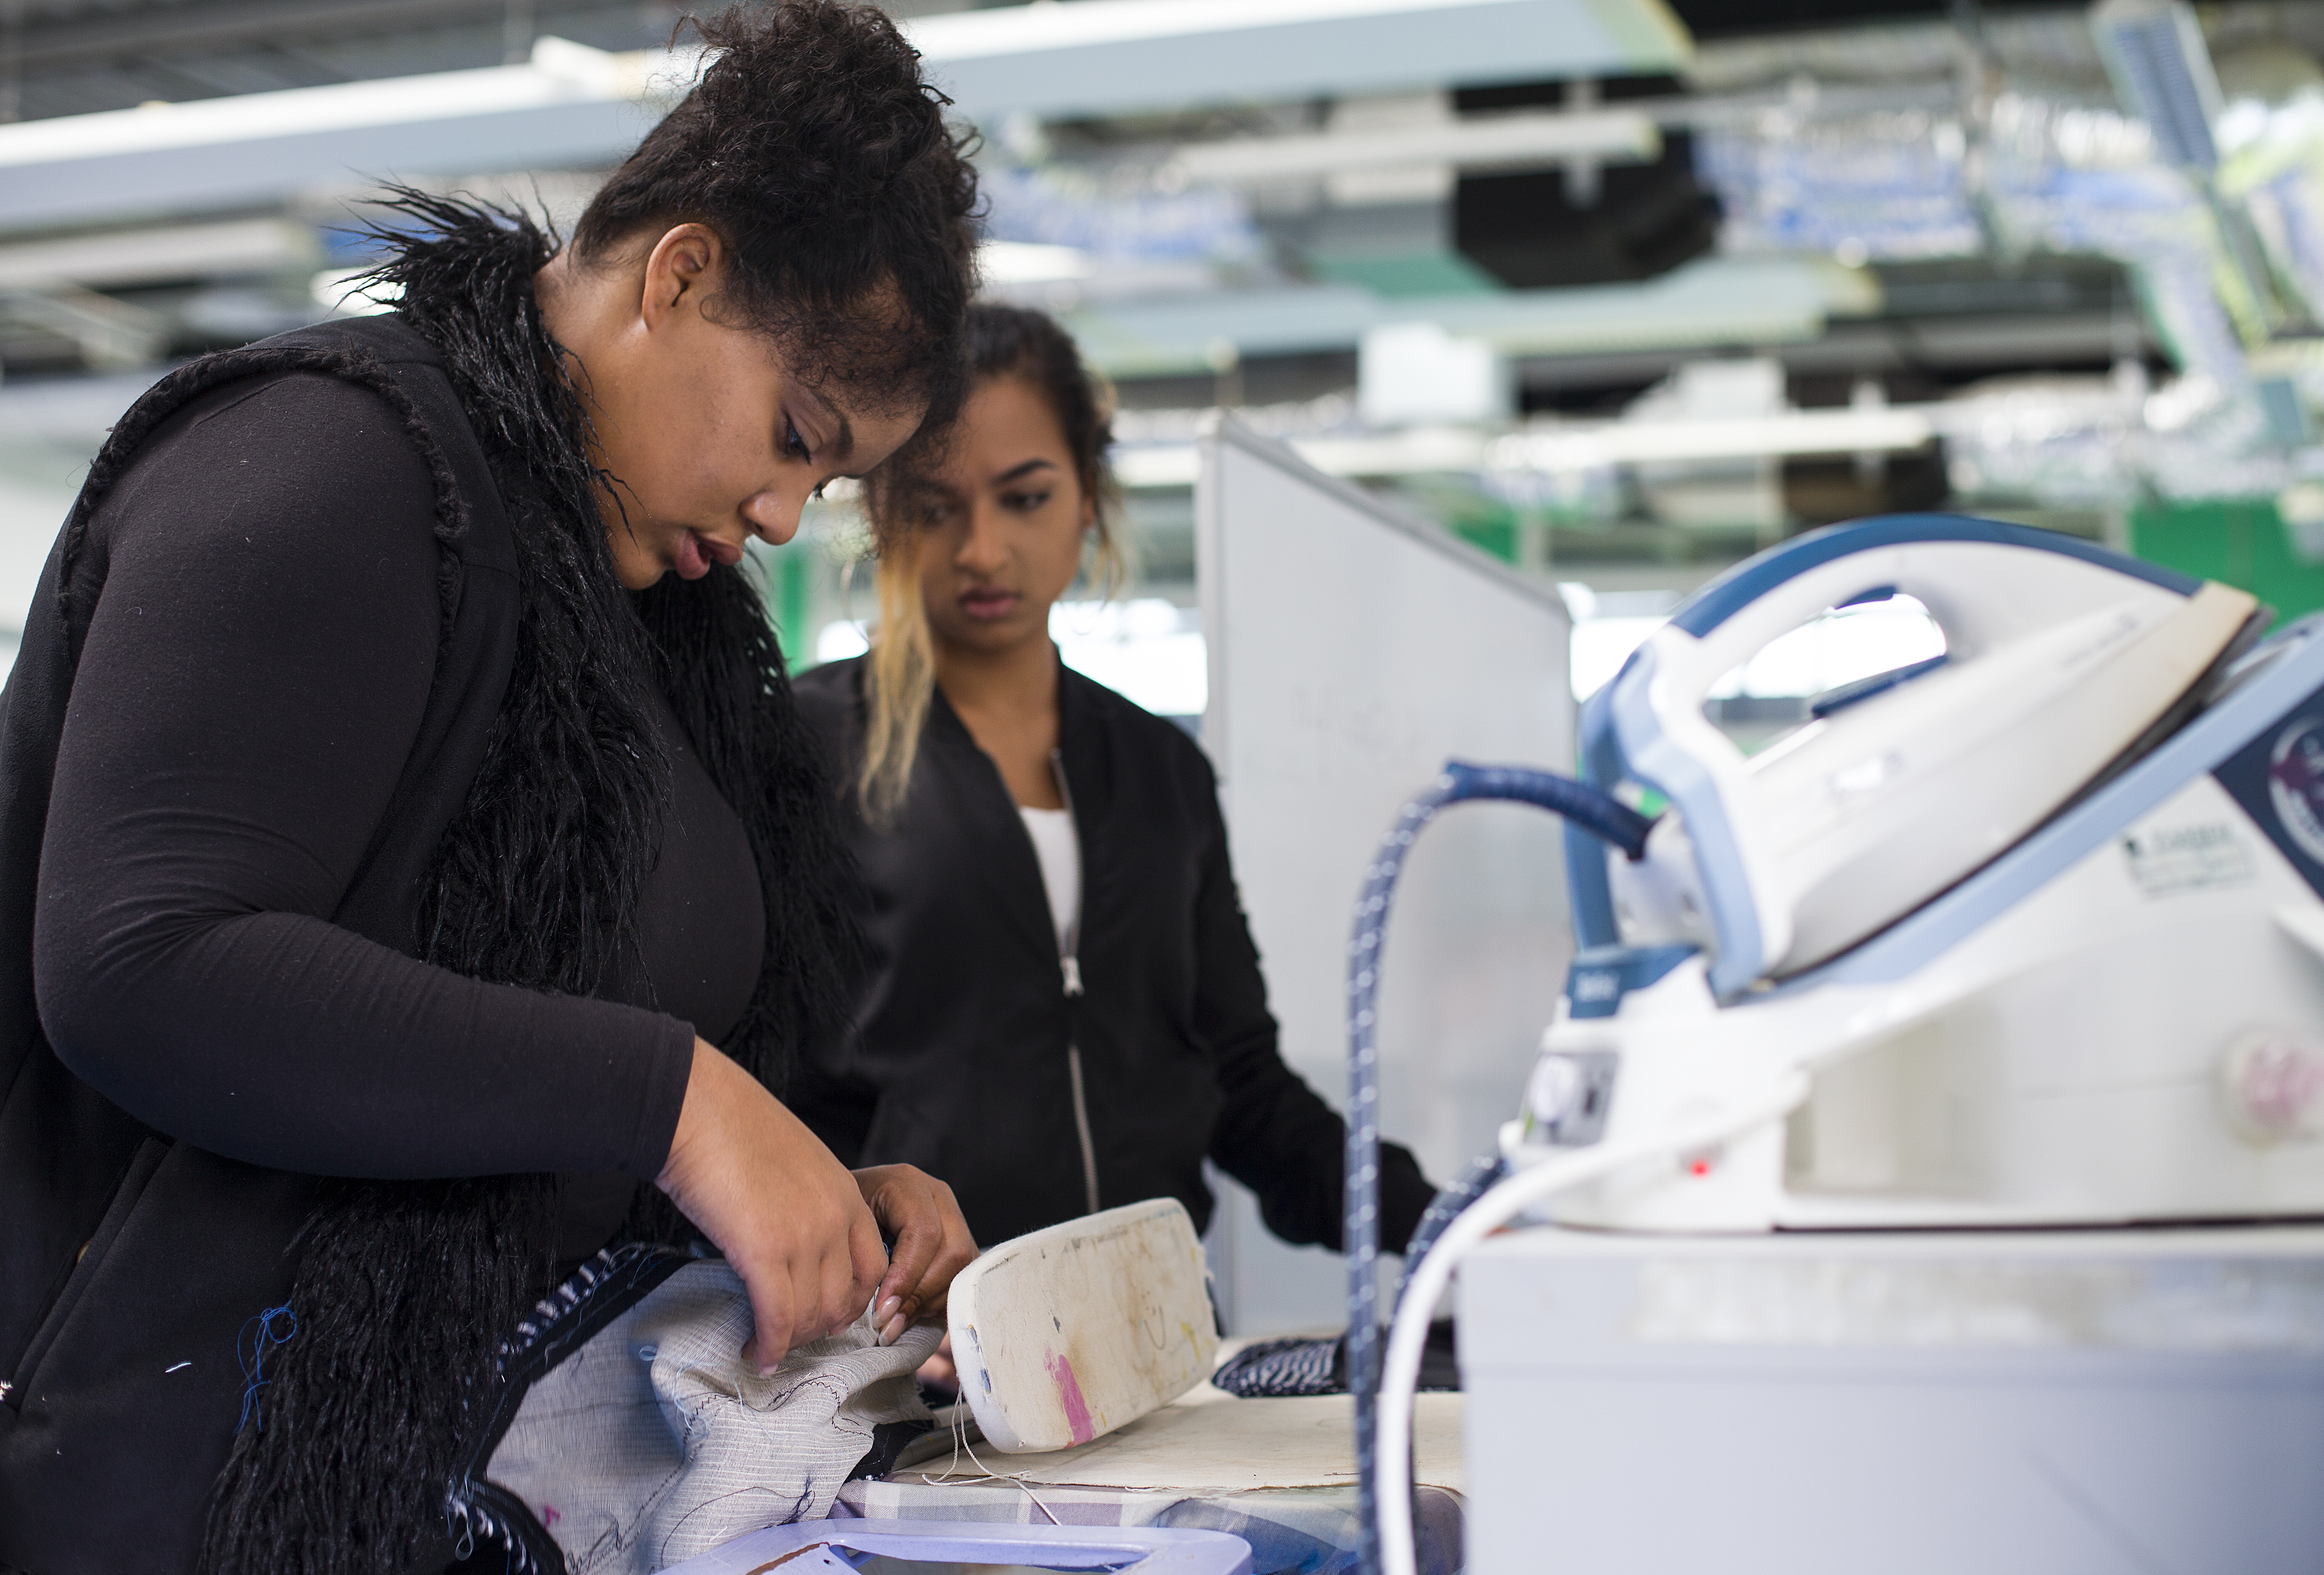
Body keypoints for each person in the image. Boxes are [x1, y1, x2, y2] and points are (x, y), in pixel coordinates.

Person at [0, 6, 980, 1572]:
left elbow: (501, 1077)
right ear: (680, 274)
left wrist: (803, 1193)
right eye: (796, 437)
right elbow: (142, 963)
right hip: (168, 1498)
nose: (789, 514)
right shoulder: (326, 461)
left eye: (832, 481)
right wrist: (671, 1102)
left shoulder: (644, 635)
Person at [792, 305, 1438, 1290]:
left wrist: (1442, 1221)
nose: (981, 550)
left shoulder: (1159, 771)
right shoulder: (806, 746)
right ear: (880, 515)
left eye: (1025, 498)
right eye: (935, 506)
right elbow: (760, 1088)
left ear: (1087, 499)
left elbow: (1242, 1089)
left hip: (1151, 1341)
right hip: (914, 1355)